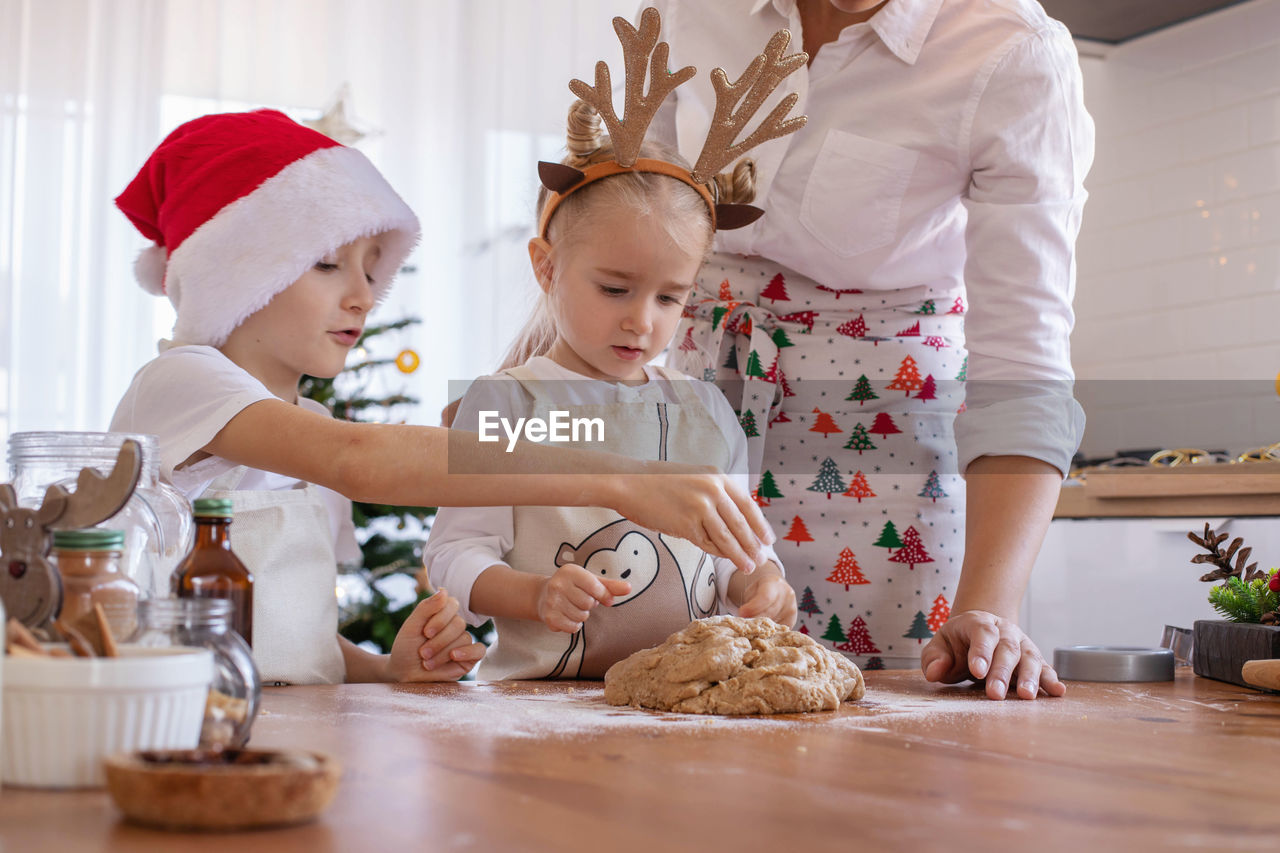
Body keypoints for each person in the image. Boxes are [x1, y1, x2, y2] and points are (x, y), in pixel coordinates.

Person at [110, 109, 774, 685]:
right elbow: (359, 457)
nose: (364, 295)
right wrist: (622, 480)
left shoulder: (302, 425)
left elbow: (288, 642)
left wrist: (387, 668)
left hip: (281, 719)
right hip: (178, 714)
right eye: (325, 263)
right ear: (236, 270)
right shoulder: (180, 381)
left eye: (373, 268)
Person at [646, 0, 1094, 700]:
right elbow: (623, 234)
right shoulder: (689, 11)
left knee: (886, 759)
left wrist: (988, 606)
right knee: (672, 725)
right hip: (693, 430)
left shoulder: (1009, 50)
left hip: (884, 460)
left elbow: (1023, 358)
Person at [423, 12, 812, 678]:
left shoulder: (707, 413)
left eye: (669, 297)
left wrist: (763, 587)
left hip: (687, 703)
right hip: (540, 714)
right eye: (614, 289)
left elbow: (738, 556)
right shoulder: (506, 403)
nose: (642, 321)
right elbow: (453, 557)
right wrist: (532, 594)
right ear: (546, 267)